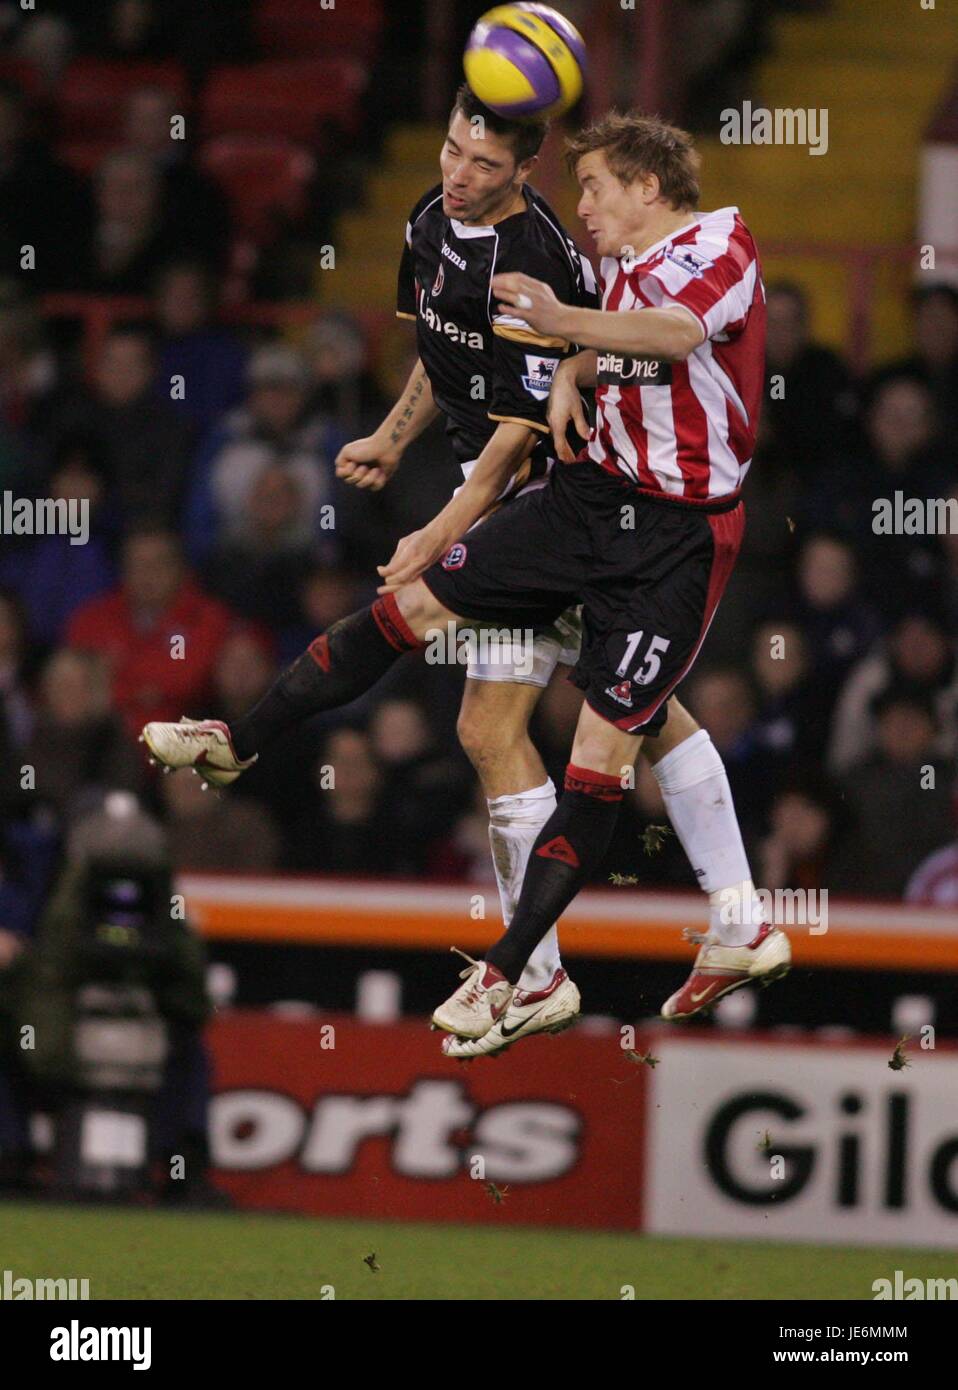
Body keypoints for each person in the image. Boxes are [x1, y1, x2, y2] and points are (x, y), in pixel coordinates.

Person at [141, 110, 790, 1041]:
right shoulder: (458, 231)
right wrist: (551, 377)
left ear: (646, 189)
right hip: (582, 505)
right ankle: (238, 741)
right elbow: (450, 358)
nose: (585, 203)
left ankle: (527, 969)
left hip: (666, 535)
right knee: (457, 656)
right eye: (450, 148)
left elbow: (674, 334)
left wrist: (464, 496)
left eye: (597, 185)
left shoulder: (700, 244)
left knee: (581, 741)